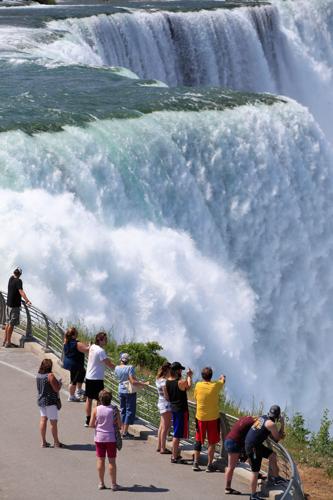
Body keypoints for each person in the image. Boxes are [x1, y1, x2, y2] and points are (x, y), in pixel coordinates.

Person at [245, 405, 286, 500]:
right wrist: (282, 424)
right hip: (253, 447)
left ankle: (276, 478)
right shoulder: (271, 424)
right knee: (255, 472)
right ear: (278, 416)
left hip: (252, 444)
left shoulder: (262, 417)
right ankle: (253, 496)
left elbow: (267, 433)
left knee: (272, 455)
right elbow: (277, 438)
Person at [193, 367, 225, 472]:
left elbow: (196, 398)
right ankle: (209, 465)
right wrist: (222, 377)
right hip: (213, 418)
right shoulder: (215, 385)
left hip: (200, 417)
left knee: (198, 440)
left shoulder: (198, 385)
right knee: (212, 442)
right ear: (211, 376)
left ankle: (196, 463)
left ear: (202, 376)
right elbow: (222, 381)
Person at [89, 389, 122, 491]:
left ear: (100, 399)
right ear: (111, 399)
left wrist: (99, 426)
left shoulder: (96, 409)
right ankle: (114, 484)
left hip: (99, 438)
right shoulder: (115, 410)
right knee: (112, 461)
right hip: (111, 438)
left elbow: (91, 424)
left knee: (100, 460)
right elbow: (120, 425)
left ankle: (101, 483)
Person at [114, 352, 149, 438]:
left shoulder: (117, 368)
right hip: (129, 391)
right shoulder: (130, 368)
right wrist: (144, 384)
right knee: (129, 411)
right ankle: (125, 432)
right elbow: (132, 381)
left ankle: (122, 430)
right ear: (128, 360)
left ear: (121, 359)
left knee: (123, 410)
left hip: (120, 390)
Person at [84, 332, 115, 427]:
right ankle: (97, 420)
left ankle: (88, 420)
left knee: (89, 399)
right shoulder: (101, 351)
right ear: (100, 340)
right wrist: (117, 368)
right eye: (105, 339)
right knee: (99, 399)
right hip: (97, 378)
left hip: (89, 376)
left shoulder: (92, 347)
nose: (107, 341)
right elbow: (107, 363)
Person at [165, 361, 193, 463]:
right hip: (181, 410)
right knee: (177, 434)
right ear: (177, 371)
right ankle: (174, 456)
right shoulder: (180, 382)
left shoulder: (167, 382)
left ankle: (175, 454)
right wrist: (189, 376)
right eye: (180, 369)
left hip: (174, 408)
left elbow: (167, 397)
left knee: (177, 432)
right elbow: (189, 387)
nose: (181, 371)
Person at [224, 415, 256, 495]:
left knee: (230, 466)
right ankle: (227, 488)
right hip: (234, 443)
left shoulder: (246, 418)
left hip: (228, 439)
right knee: (231, 467)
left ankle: (227, 486)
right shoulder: (253, 423)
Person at [36, 358, 63, 448]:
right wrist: (59, 384)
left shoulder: (39, 375)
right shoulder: (50, 375)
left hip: (41, 400)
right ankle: (56, 442)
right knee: (53, 422)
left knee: (43, 419)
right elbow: (56, 389)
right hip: (50, 401)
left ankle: (43, 442)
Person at [3, 267, 31, 348]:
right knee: (11, 324)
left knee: (8, 323)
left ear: (14, 272)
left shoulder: (11, 278)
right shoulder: (18, 281)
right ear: (20, 274)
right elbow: (21, 291)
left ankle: (5, 341)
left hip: (8, 304)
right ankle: (8, 343)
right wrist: (27, 300)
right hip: (14, 306)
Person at [63, 327, 90, 402]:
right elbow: (86, 350)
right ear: (73, 335)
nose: (77, 334)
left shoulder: (66, 341)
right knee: (73, 380)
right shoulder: (76, 344)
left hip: (70, 363)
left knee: (82, 372)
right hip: (75, 364)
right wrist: (90, 345)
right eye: (76, 333)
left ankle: (79, 390)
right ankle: (71, 396)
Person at [155, 361, 172, 454]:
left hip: (160, 402)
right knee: (165, 427)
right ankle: (163, 448)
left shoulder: (158, 379)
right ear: (168, 370)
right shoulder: (164, 381)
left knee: (161, 426)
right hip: (166, 404)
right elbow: (166, 396)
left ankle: (159, 446)